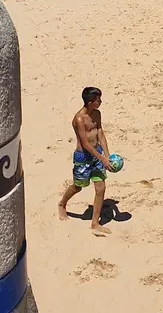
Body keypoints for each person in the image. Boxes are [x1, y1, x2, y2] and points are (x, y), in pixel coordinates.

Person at [57, 87, 114, 236]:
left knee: (100, 188)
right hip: (83, 158)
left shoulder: (97, 114)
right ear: (90, 102)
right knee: (78, 187)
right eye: (98, 100)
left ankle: (95, 223)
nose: (100, 102)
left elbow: (100, 133)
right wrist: (103, 159)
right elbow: (86, 144)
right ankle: (62, 204)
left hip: (98, 156)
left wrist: (107, 155)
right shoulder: (79, 119)